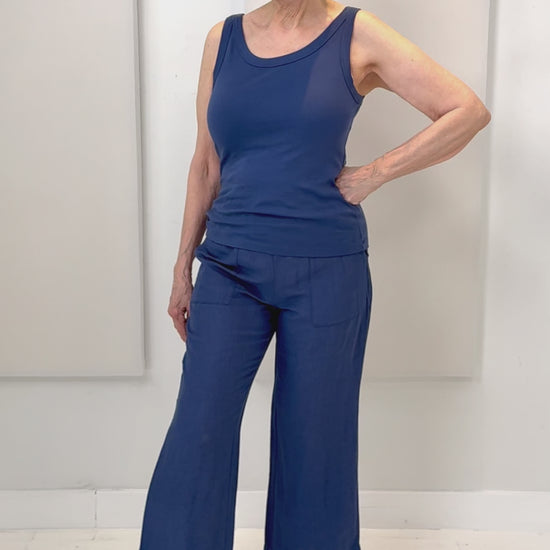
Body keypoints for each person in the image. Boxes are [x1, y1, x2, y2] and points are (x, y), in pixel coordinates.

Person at [138, 1, 491, 549]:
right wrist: (183, 266)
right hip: (229, 267)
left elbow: (466, 111)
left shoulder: (357, 33)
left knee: (315, 445)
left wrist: (373, 174)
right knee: (198, 430)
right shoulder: (222, 40)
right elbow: (206, 163)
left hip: (326, 272)